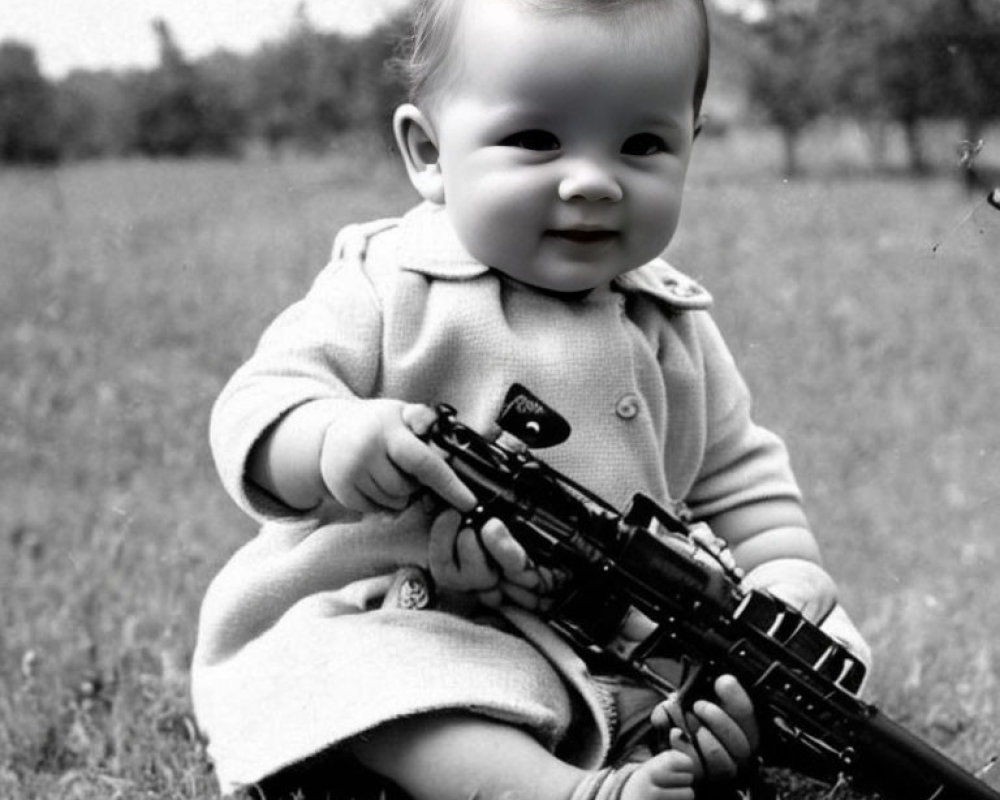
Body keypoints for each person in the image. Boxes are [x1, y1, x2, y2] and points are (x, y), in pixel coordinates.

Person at [191, 1, 871, 799]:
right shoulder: (389, 283)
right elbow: (261, 403)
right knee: (383, 683)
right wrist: (333, 439)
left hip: (618, 646)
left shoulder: (670, 323)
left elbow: (740, 482)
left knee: (821, 656)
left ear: (692, 145)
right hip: (422, 623)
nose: (593, 181)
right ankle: (554, 790)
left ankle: (696, 743)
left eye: (643, 144)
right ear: (428, 152)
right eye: (537, 141)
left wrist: (783, 577)